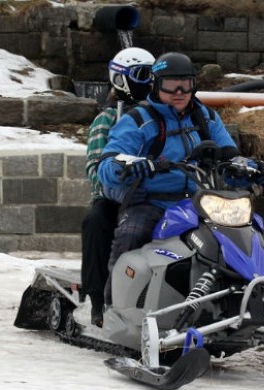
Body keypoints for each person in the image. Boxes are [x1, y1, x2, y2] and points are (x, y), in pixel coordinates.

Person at [97, 52, 264, 306]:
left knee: (246, 230)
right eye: (170, 85)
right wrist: (130, 166)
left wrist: (250, 171)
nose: (179, 91)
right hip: (153, 202)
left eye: (186, 83)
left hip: (200, 201)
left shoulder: (206, 118)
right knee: (132, 232)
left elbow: (229, 158)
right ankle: (113, 304)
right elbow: (107, 164)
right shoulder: (137, 120)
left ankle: (251, 294)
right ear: (156, 85)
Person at [81, 47, 155, 327]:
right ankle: (98, 298)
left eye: (153, 75)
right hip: (117, 197)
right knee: (97, 221)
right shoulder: (108, 119)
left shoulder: (162, 116)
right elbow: (95, 167)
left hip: (157, 195)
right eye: (142, 75)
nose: (149, 82)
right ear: (122, 78)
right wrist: (122, 182)